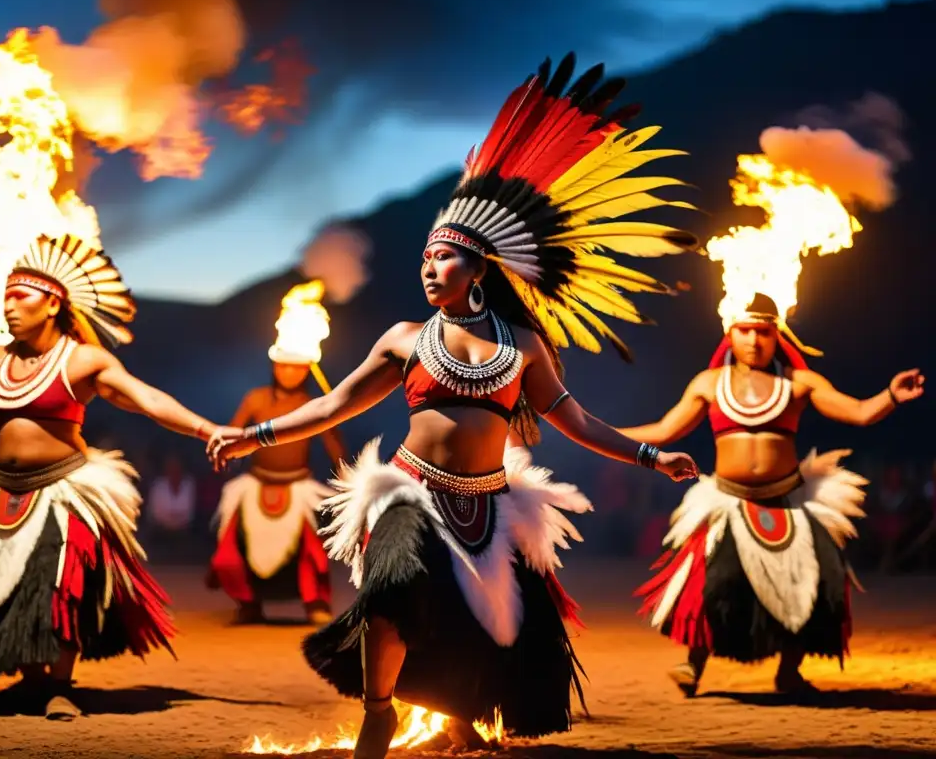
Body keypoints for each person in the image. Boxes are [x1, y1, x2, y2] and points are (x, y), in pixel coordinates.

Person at [208, 53, 701, 758]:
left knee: (487, 626)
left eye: (441, 259)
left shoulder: (526, 345)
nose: (428, 270)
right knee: (394, 587)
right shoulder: (407, 338)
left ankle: (457, 719)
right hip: (411, 491)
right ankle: (379, 710)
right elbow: (335, 406)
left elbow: (577, 421)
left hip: (490, 500)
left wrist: (652, 454)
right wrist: (253, 433)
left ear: (479, 267)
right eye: (423, 262)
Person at [0, 234, 240, 719]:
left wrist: (206, 428)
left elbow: (146, 400)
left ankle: (60, 685)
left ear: (52, 303)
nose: (8, 306)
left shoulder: (84, 360)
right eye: (4, 296)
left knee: (59, 582)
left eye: (19, 296)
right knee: (17, 584)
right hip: (4, 492)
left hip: (66, 492)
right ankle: (32, 683)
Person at [625, 292, 924, 696]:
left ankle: (789, 671)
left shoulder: (800, 383)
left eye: (763, 331)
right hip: (728, 501)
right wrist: (597, 435)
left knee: (820, 578)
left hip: (789, 501)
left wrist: (890, 395)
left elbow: (857, 412)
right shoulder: (709, 384)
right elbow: (663, 431)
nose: (753, 340)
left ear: (776, 334)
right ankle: (693, 664)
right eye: (745, 330)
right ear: (729, 333)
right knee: (712, 579)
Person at [206, 349, 347, 625]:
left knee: (311, 552)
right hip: (255, 483)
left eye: (296, 367)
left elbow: (333, 446)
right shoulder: (255, 399)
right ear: (274, 367)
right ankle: (248, 603)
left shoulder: (315, 404)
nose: (289, 372)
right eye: (283, 366)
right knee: (231, 544)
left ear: (307, 369)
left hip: (300, 487)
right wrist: (226, 448)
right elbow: (235, 432)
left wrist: (347, 474)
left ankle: (315, 602)